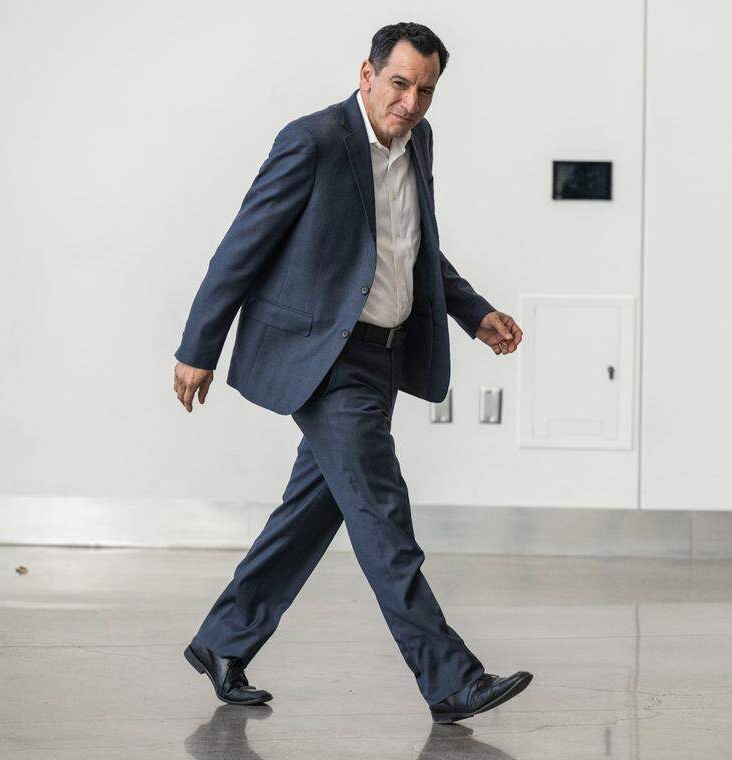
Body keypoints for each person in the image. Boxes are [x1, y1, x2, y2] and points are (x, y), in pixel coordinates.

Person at [171, 21, 531, 724]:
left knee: (315, 509)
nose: (410, 103)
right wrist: (197, 347)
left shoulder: (418, 142)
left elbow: (414, 246)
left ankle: (223, 641)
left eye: (425, 91)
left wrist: (474, 312)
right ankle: (450, 679)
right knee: (380, 513)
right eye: (398, 84)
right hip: (326, 359)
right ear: (366, 75)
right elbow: (241, 247)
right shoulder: (312, 141)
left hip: (383, 355)